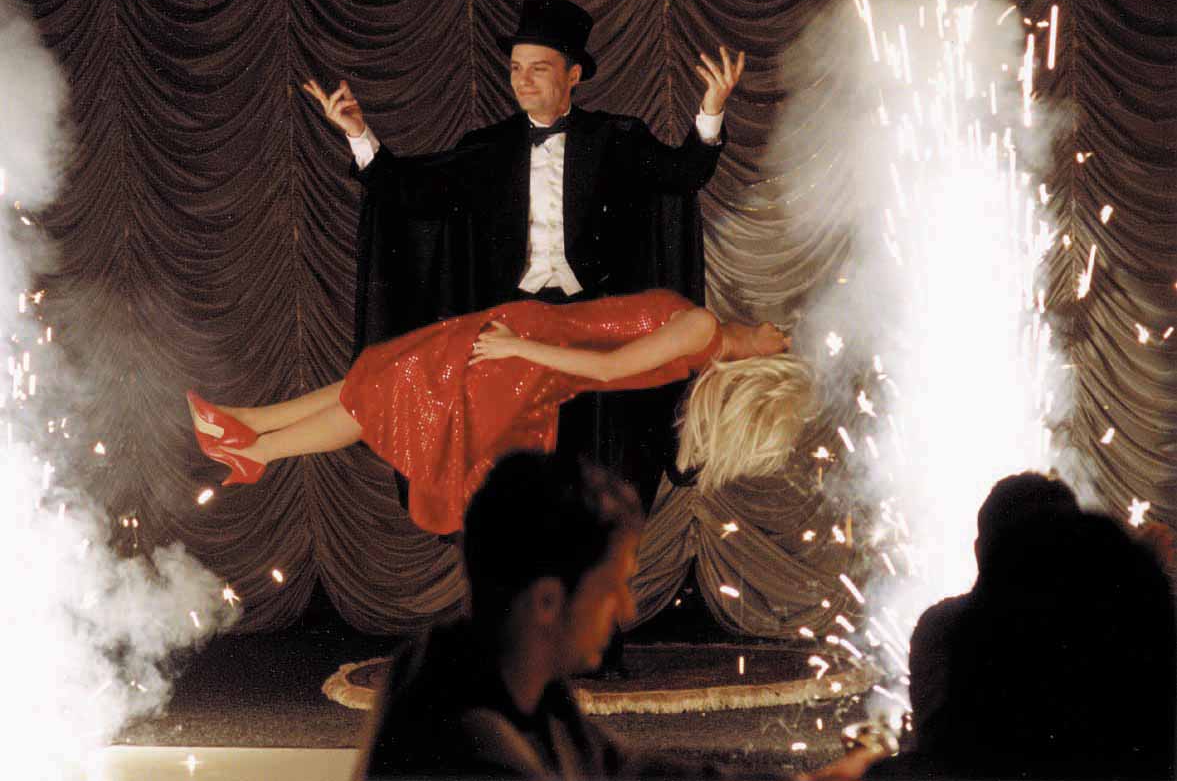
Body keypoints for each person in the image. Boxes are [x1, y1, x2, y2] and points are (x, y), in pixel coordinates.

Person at [304, 0, 744, 509]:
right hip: (514, 327)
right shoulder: (488, 146)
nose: (522, 80)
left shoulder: (614, 138)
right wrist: (359, 133)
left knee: (595, 475)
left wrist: (711, 109)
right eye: (516, 68)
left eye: (538, 68)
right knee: (511, 477)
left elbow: (683, 174)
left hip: (597, 326)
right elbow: (413, 193)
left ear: (573, 75)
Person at [188, 288, 813, 535]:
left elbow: (606, 368)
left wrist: (518, 348)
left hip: (521, 360)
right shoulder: (702, 340)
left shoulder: (702, 330)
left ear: (763, 364)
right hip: (526, 351)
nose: (783, 331)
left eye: (785, 345)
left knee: (386, 397)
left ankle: (256, 449)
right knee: (381, 377)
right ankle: (249, 425)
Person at [350, 450, 647, 779]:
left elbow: (620, 764)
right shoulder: (467, 751)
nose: (627, 610)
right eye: (611, 589)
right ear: (546, 602)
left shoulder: (521, 682)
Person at [869, 472, 1177, 780]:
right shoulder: (1102, 631)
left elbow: (940, 748)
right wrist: (1132, 586)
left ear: (979, 550)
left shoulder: (943, 623)